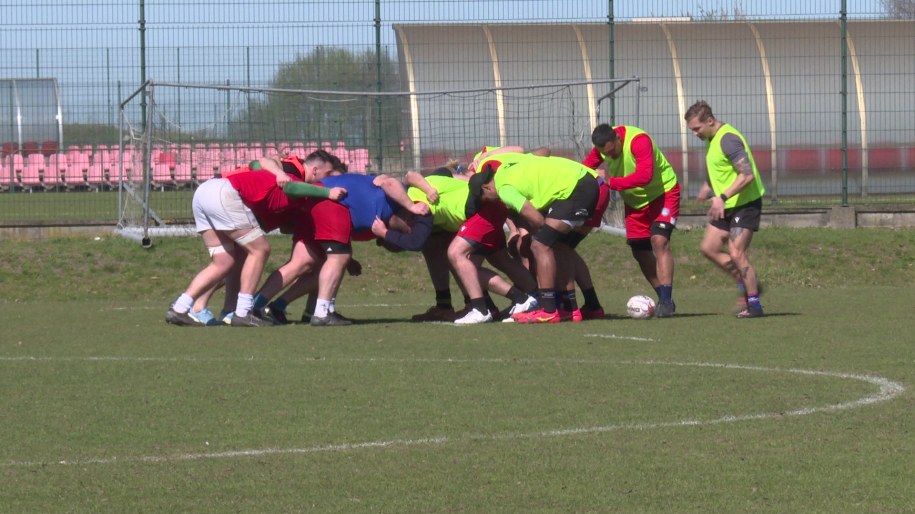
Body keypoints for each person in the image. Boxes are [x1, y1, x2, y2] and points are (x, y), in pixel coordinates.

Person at [165, 151, 339, 327]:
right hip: (224, 192)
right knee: (260, 250)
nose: (328, 179)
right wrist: (327, 192)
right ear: (315, 170)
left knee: (224, 261)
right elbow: (287, 184)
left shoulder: (288, 173)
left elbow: (263, 171)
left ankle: (180, 308)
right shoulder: (292, 175)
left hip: (205, 192)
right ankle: (243, 312)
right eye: (328, 174)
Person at [371, 170, 538, 324]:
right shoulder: (425, 184)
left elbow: (415, 242)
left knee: (456, 256)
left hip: (480, 212)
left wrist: (386, 233)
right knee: (499, 259)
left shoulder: (419, 207)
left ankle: (490, 307)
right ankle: (536, 298)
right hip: (490, 209)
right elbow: (409, 176)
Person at [469, 153, 600, 323]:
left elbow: (536, 219)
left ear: (486, 188)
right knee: (556, 244)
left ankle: (548, 310)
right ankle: (569, 309)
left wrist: (539, 235)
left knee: (540, 245)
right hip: (579, 182)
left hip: (577, 188)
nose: (489, 202)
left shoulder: (504, 189)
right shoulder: (505, 168)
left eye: (485, 199)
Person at [584, 123, 681, 317]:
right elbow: (585, 168)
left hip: (663, 194)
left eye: (612, 151)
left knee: (659, 241)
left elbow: (645, 176)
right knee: (640, 251)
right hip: (635, 203)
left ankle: (665, 302)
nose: (609, 156)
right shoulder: (602, 149)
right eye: (606, 154)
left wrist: (611, 182)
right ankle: (664, 298)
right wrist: (592, 176)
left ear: (618, 139)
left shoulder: (639, 141)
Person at [684, 100, 766, 318]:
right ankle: (747, 281)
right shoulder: (711, 139)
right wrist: (707, 187)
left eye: (696, 129)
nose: (694, 134)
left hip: (745, 204)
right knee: (708, 248)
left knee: (737, 253)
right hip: (726, 204)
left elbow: (746, 175)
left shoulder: (728, 139)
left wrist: (721, 196)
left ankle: (755, 305)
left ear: (709, 121)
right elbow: (722, 169)